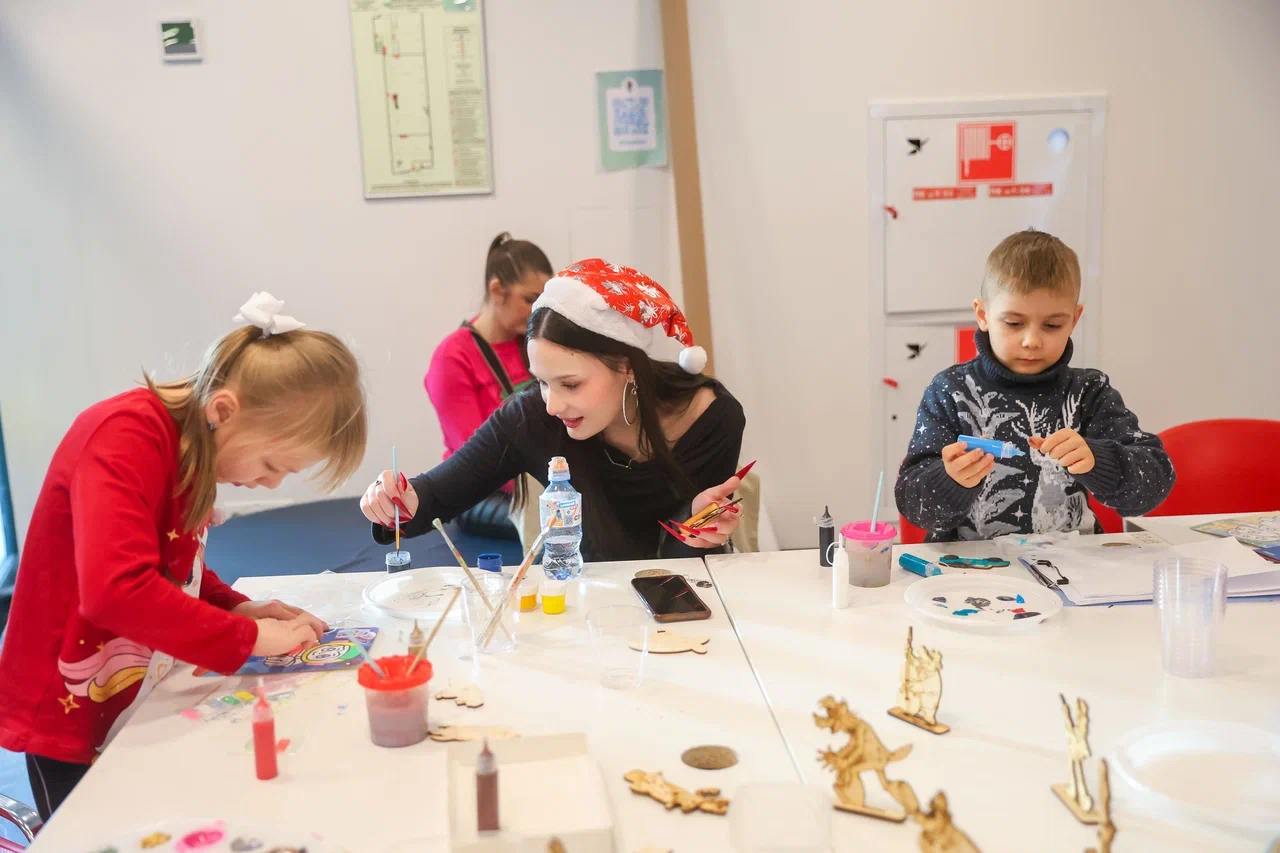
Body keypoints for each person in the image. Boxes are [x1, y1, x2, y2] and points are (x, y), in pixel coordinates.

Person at [0, 294, 366, 819]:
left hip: (129, 697)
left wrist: (234, 605)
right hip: (68, 713)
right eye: (271, 465)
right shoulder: (124, 436)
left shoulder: (193, 443)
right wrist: (249, 637)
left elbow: (173, 562)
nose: (271, 484)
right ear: (224, 410)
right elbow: (116, 590)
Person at [363, 259, 746, 560]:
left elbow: (688, 560)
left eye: (571, 384)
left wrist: (695, 524)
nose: (552, 404)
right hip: (586, 603)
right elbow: (436, 495)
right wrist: (394, 502)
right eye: (542, 382)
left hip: (686, 603)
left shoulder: (712, 418)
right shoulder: (531, 416)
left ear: (627, 366)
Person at [895, 230, 1174, 541]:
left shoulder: (1089, 392)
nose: (1031, 341)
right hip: (970, 564)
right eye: (1014, 323)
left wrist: (1099, 461)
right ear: (983, 315)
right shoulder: (951, 390)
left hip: (1073, 563)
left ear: (1074, 320)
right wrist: (950, 480)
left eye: (1052, 325)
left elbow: (1154, 485)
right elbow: (913, 504)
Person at [424, 233, 553, 539]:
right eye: (530, 299)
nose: (538, 310)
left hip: (539, 480)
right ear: (497, 291)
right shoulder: (452, 357)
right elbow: (476, 461)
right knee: (552, 523)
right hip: (479, 491)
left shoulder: (534, 343)